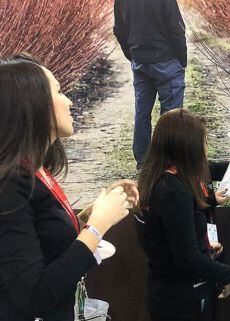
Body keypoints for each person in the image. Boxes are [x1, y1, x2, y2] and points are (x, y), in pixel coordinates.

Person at [0, 55, 137, 321]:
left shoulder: (36, 170)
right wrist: (97, 226)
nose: (70, 101)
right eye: (59, 91)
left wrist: (90, 214)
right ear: (33, 104)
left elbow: (46, 239)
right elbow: (32, 297)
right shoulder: (10, 185)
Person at [136, 109, 230, 321]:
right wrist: (226, 274)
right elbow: (187, 259)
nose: (205, 150)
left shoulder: (159, 179)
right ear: (188, 147)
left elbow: (174, 242)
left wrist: (204, 250)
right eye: (203, 143)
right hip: (182, 301)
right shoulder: (172, 191)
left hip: (169, 292)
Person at [113, 0, 188, 169]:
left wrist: (132, 55)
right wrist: (181, 59)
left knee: (142, 111)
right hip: (166, 60)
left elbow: (118, 30)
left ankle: (143, 161)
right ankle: (169, 162)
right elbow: (176, 28)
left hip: (140, 61)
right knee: (172, 115)